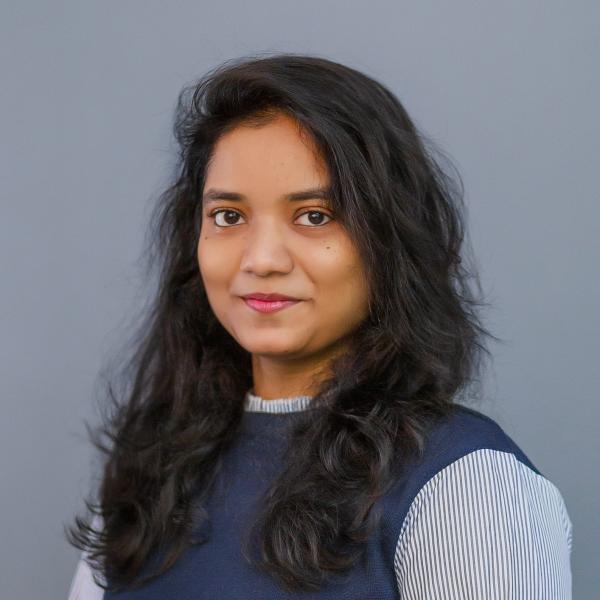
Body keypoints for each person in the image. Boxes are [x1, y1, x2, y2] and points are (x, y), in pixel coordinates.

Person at [66, 53, 573, 599]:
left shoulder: (465, 484)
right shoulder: (148, 466)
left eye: (314, 216)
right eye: (228, 217)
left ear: (389, 242)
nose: (261, 259)